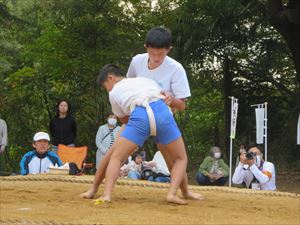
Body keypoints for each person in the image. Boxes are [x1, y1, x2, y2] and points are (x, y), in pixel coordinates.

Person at [80, 64, 196, 205]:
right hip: (162, 111)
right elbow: (171, 100)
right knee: (180, 158)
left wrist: (137, 131)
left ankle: (106, 195)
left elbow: (123, 119)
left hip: (139, 114)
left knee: (116, 156)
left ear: (110, 78)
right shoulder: (146, 80)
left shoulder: (114, 92)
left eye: (106, 86)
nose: (107, 90)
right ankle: (172, 193)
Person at [127, 26, 203, 200]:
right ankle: (100, 191)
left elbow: (182, 104)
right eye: (152, 53)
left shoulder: (176, 69)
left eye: (160, 54)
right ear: (145, 46)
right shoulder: (137, 61)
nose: (155, 58)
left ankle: (182, 192)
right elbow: (128, 86)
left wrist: (170, 99)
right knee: (117, 152)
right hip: (139, 116)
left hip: (163, 119)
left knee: (174, 159)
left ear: (169, 49)